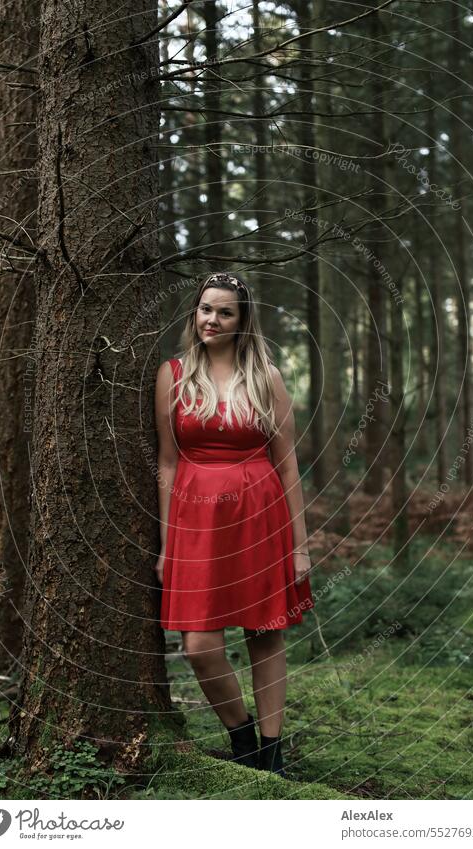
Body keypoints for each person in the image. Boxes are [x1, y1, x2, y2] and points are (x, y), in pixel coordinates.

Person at [154, 271, 314, 778]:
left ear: (243, 320)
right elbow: (167, 463)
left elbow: (287, 464)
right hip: (195, 517)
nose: (212, 320)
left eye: (225, 312)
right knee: (199, 645)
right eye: (206, 309)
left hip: (260, 513)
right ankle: (240, 735)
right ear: (194, 313)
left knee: (264, 633)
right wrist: (165, 544)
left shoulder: (265, 376)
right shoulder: (174, 374)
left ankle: (272, 753)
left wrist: (300, 546)